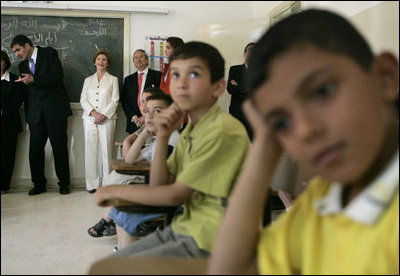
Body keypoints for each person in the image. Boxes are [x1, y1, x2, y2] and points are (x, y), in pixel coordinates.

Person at [209, 9, 399, 275]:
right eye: (282, 123)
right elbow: (232, 269)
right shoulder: (324, 197)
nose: (305, 130)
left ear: (385, 78)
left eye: (322, 91)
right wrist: (264, 144)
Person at [93, 41, 250, 258]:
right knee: (120, 234)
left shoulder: (222, 130)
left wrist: (114, 192)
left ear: (218, 87)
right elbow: (159, 183)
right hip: (188, 218)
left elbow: (173, 196)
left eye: (193, 75)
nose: (181, 83)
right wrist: (161, 134)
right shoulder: (190, 131)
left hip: (212, 233)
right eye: (176, 75)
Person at [87, 87, 165, 238]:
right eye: (142, 101)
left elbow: (132, 156)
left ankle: (110, 220)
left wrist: (131, 146)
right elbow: (130, 144)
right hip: (146, 168)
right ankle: (111, 220)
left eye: (147, 102)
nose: (143, 106)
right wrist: (129, 141)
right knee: (113, 177)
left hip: (154, 178)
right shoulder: (146, 122)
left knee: (116, 181)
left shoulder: (160, 126)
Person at [108, 92, 181, 250]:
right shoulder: (157, 141)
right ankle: (122, 249)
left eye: (157, 111)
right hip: (163, 194)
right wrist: (144, 134)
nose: (149, 116)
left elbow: (161, 185)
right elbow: (130, 159)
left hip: (175, 201)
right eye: (147, 111)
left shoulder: (171, 140)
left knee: (124, 208)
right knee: (118, 203)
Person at [11, 34, 72, 195]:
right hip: (36, 114)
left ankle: (64, 184)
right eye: (15, 51)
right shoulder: (22, 66)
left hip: (55, 111)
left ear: (27, 45)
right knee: (35, 151)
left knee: (59, 148)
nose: (17, 54)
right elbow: (28, 94)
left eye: (18, 50)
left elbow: (57, 77)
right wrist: (29, 118)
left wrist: (34, 79)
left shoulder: (49, 53)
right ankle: (38, 184)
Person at [80, 48, 119, 193]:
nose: (101, 61)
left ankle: (108, 183)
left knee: (107, 150)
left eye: (104, 59)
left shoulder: (113, 79)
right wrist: (94, 113)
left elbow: (115, 100)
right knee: (90, 151)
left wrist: (104, 115)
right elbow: (83, 99)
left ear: (107, 63)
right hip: (90, 119)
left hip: (107, 119)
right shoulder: (87, 80)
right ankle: (92, 184)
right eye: (98, 59)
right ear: (94, 62)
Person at [1, 50, 26, 194]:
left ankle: (4, 186)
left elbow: (17, 101)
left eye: (1, 60)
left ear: (6, 63)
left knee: (7, 156)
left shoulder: (15, 80)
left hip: (8, 124)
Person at [121, 49, 161, 134]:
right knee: (134, 146)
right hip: (134, 123)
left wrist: (145, 115)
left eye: (141, 57)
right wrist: (134, 117)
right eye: (135, 58)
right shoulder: (128, 79)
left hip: (153, 120)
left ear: (147, 59)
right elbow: (125, 101)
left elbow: (160, 99)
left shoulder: (158, 76)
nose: (138, 60)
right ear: (134, 62)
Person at [227, 42, 254, 140]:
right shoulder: (235, 69)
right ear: (244, 53)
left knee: (252, 143)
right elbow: (230, 89)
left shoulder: (261, 71)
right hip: (237, 113)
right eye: (250, 50)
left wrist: (239, 87)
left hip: (254, 114)